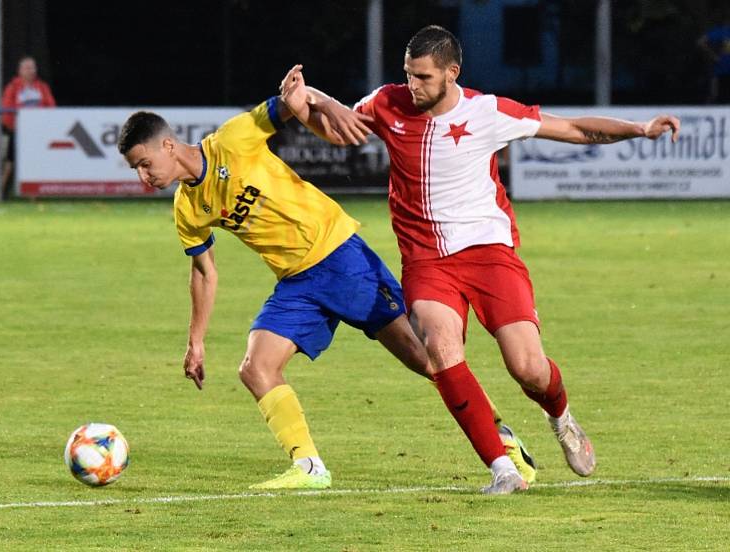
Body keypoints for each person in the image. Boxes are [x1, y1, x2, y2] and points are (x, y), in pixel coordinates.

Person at [280, 24, 681, 494]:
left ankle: (561, 416)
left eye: (424, 77)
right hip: (427, 262)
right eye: (409, 74)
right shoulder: (388, 102)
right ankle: (502, 468)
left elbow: (572, 128)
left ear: (452, 73)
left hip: (490, 255)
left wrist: (640, 129)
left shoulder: (487, 112)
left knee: (527, 367)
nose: (413, 85)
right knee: (441, 350)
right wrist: (303, 103)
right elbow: (340, 131)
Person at [117, 81, 537, 493]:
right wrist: (196, 341)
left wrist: (310, 96)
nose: (143, 176)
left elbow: (286, 105)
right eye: (137, 169)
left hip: (341, 257)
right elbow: (204, 272)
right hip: (296, 284)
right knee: (255, 367)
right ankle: (309, 466)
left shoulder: (231, 140)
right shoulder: (187, 208)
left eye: (144, 163)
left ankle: (503, 442)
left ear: (168, 146)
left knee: (428, 360)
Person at [0, 56, 56, 198]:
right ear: (20, 71)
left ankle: (34, 196)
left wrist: (43, 125)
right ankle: (0, 192)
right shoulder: (13, 87)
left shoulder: (42, 87)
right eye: (27, 68)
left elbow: (51, 107)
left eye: (33, 67)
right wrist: (13, 126)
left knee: (36, 162)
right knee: (10, 163)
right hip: (18, 131)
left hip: (37, 132)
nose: (31, 71)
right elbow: (6, 109)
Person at [697, 8, 730, 104]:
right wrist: (713, 56)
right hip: (721, 68)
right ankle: (703, 114)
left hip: (722, 67)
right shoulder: (722, 31)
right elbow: (700, 42)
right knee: (714, 94)